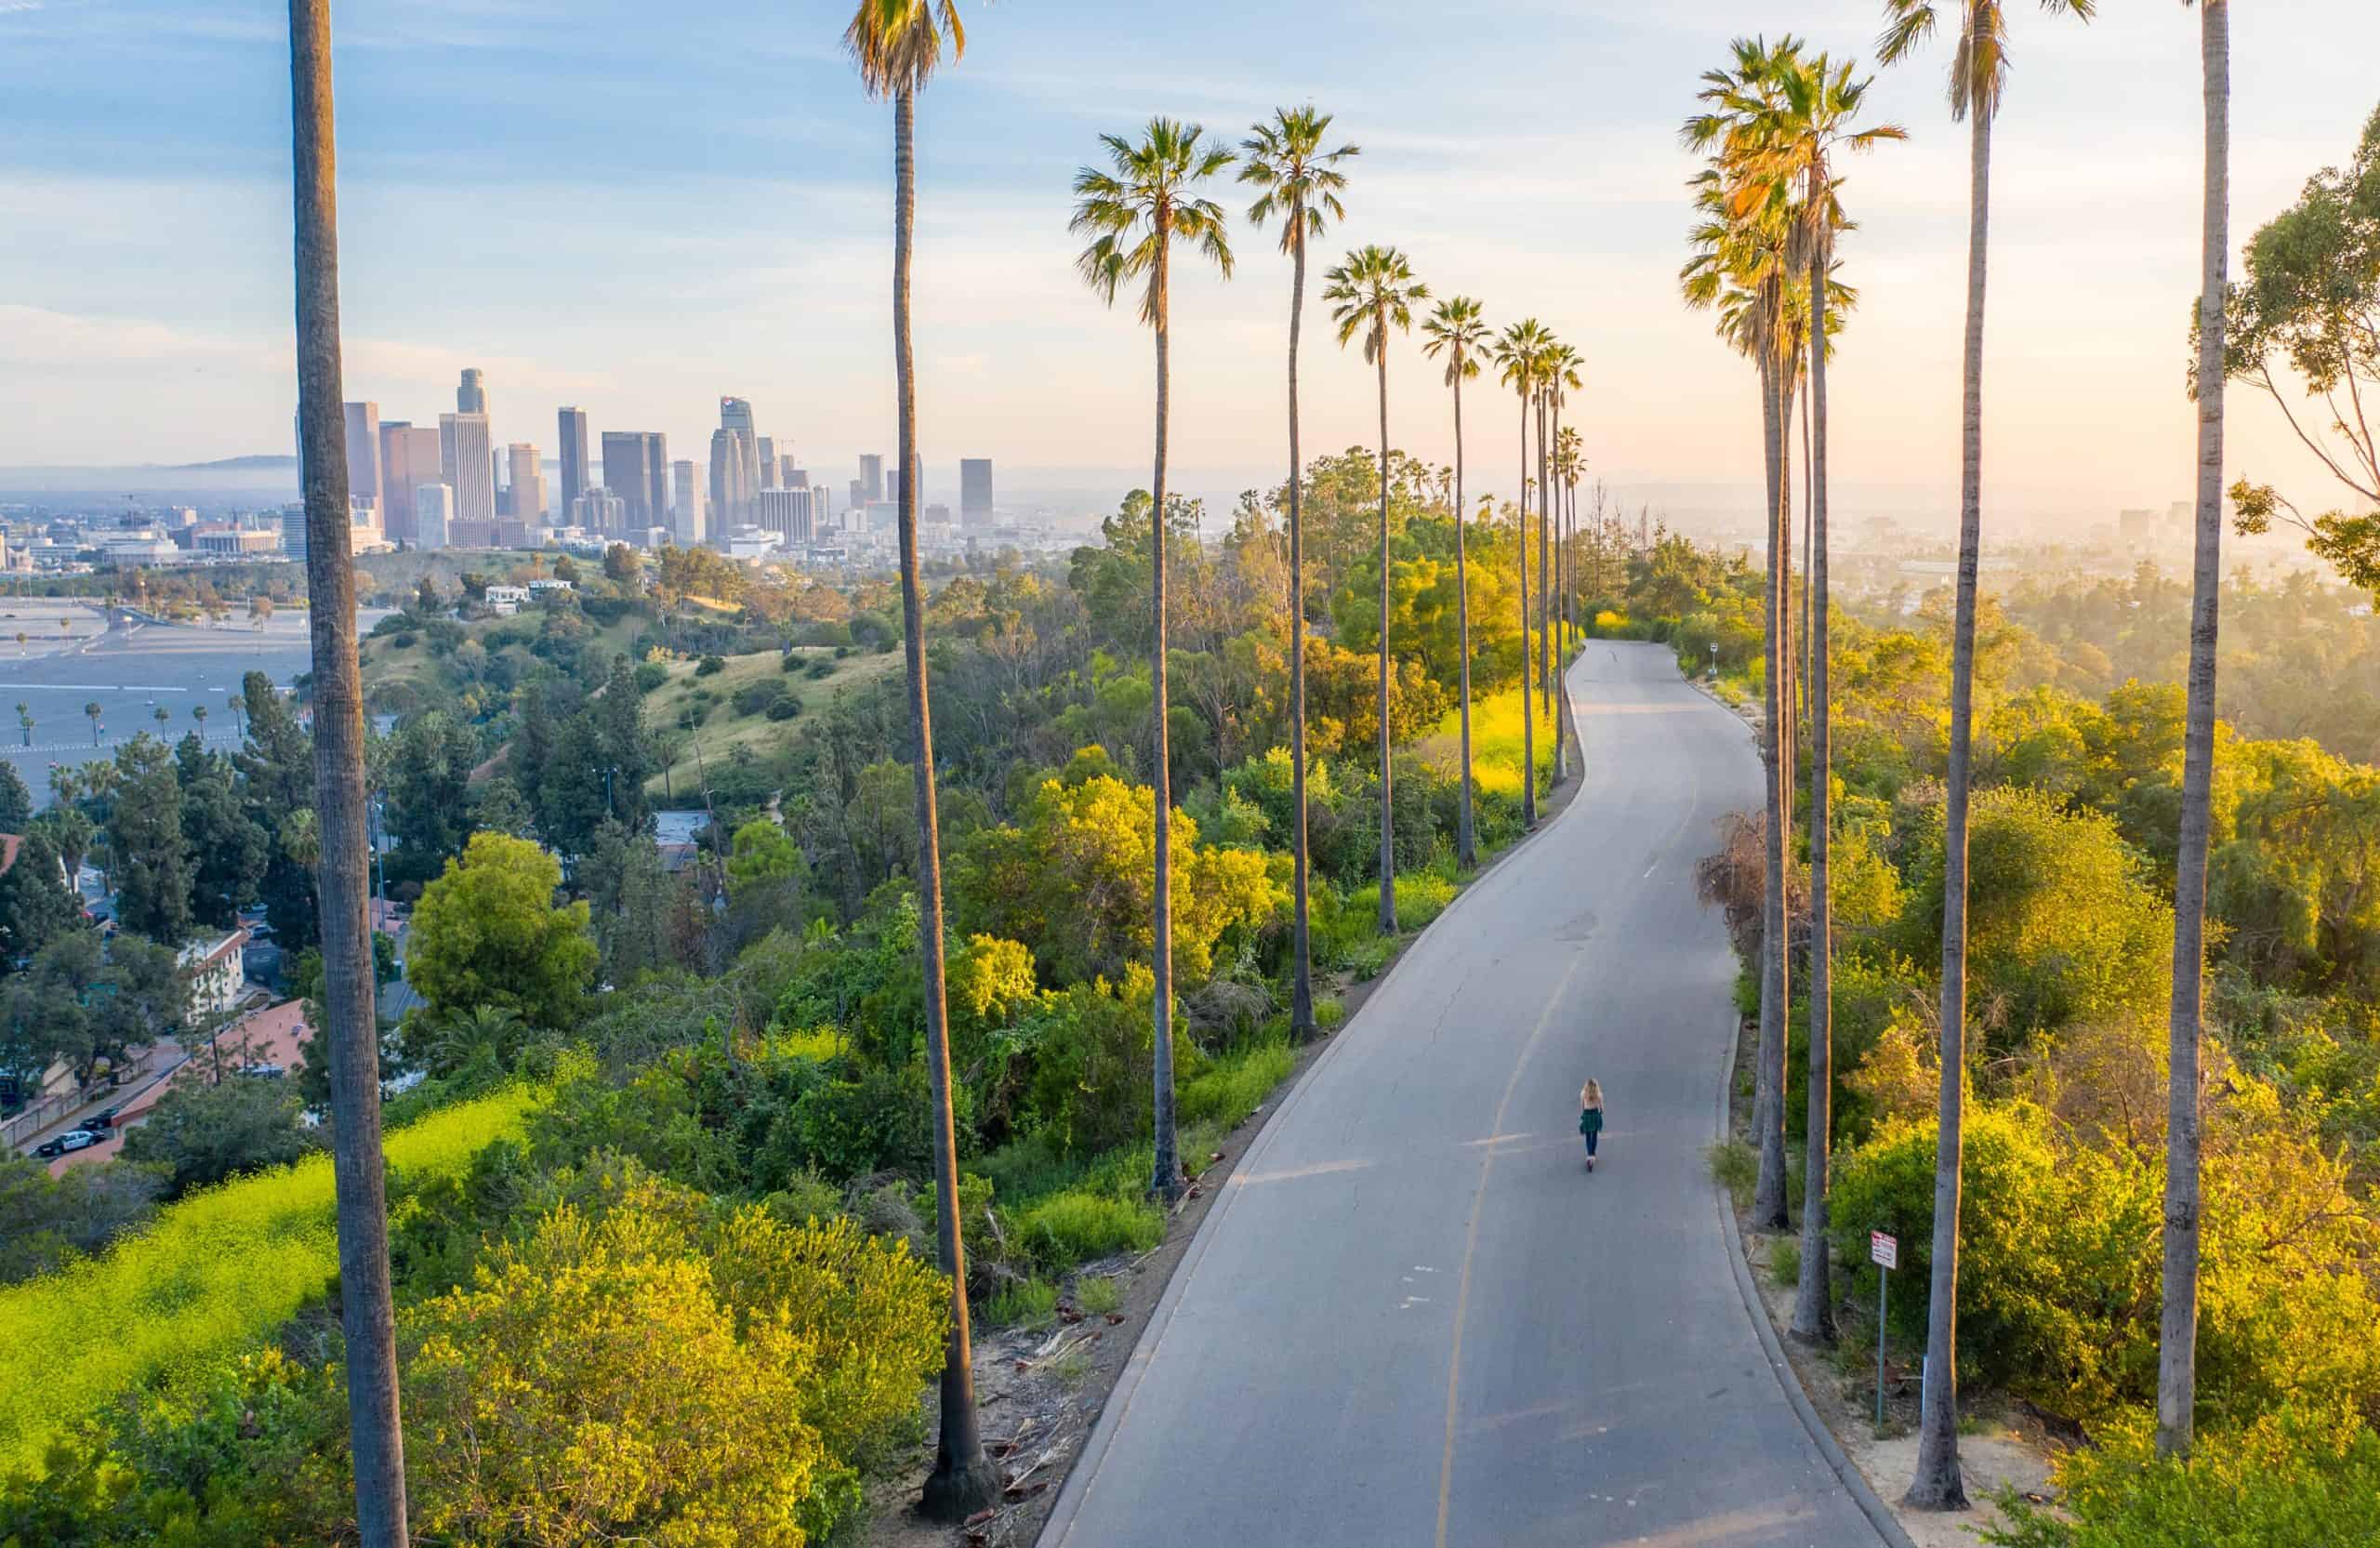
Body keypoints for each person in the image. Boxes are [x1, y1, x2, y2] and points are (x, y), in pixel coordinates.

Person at [1579, 1078, 1606, 1171]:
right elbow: (1602, 1108)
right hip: (1595, 1115)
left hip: (1587, 1115)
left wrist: (1583, 1116)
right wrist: (1601, 1112)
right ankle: (1592, 1155)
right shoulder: (1599, 1094)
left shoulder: (1583, 1094)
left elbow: (1582, 1108)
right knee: (1594, 1136)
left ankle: (1589, 1155)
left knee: (1587, 1136)